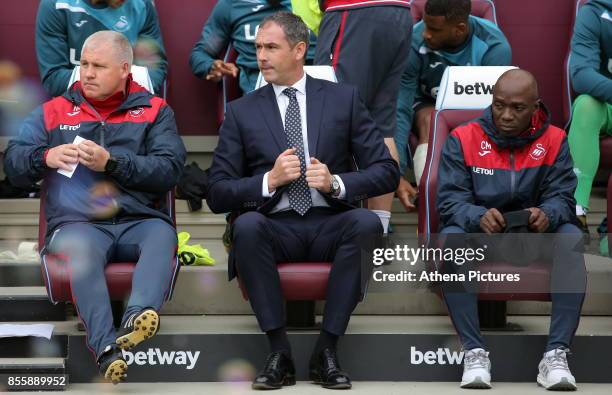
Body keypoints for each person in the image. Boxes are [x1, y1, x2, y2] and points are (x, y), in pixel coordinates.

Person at [206, 12, 399, 390]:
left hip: (331, 221)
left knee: (365, 223)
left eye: (271, 47)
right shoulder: (242, 111)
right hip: (273, 225)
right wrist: (268, 180)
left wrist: (337, 183)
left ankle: (326, 351)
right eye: (258, 47)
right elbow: (217, 191)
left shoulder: (345, 99)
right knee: (245, 226)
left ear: (299, 50)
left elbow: (386, 171)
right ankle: (279, 352)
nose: (261, 56)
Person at [4, 31, 186, 384]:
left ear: (123, 69)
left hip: (138, 218)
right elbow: (13, 163)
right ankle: (106, 348)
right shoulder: (53, 110)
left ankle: (136, 319)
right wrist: (46, 156)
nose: (86, 73)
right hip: (77, 223)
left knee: (163, 235)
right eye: (83, 64)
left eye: (98, 66)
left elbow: (170, 169)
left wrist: (112, 163)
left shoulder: (155, 110)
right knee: (81, 249)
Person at [436, 69, 585, 390]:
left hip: (532, 236)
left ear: (536, 107)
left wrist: (547, 213)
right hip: (484, 235)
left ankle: (556, 355)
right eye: (499, 105)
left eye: (517, 108)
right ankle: (474, 352)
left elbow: (563, 197)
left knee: (571, 238)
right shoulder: (463, 137)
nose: (505, 115)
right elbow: (449, 202)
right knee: (451, 239)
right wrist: (477, 215)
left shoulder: (555, 139)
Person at [395, 0, 511, 202]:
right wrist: (395, 173)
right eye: (425, 24)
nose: (426, 34)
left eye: (434, 29)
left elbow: (494, 113)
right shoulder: (413, 40)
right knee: (431, 122)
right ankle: (431, 206)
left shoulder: (494, 47)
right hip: (428, 104)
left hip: (475, 110)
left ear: (459, 29)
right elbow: (400, 108)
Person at [314, 0, 414, 230]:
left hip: (353, 10)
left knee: (329, 111)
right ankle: (378, 230)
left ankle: (333, 227)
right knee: (381, 127)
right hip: (399, 12)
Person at [36, 0, 168, 97]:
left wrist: (111, 88)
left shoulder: (141, 5)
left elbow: (155, 71)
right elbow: (53, 79)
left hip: (130, 103)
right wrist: (113, 81)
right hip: (76, 106)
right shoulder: (56, 5)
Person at [190, 0, 317, 94]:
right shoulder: (231, 6)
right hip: (262, 92)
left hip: (312, 84)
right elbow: (200, 54)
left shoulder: (308, 3)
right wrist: (211, 66)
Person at [567, 0, 612, 236]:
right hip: (608, 104)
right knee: (585, 105)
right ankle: (576, 212)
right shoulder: (594, 12)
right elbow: (582, 76)